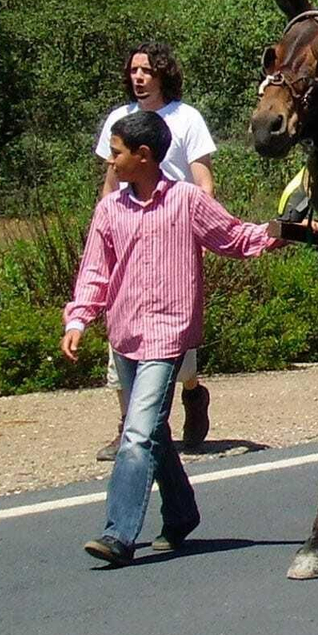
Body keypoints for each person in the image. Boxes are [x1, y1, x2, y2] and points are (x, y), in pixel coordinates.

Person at [62, 111, 281, 566]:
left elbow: (234, 236)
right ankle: (181, 514)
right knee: (154, 432)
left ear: (143, 156)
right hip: (125, 333)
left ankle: (118, 534)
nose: (112, 161)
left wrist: (284, 233)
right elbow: (95, 272)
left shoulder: (185, 201)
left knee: (136, 432)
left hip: (167, 332)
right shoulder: (109, 210)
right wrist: (78, 320)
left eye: (117, 152)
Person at [93, 42, 218, 460]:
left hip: (175, 231)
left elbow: (203, 179)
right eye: (133, 70)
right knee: (124, 332)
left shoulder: (186, 119)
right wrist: (102, 227)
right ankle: (129, 429)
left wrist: (208, 225)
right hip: (130, 230)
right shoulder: (120, 120)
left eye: (146, 69)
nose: (138, 77)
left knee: (175, 350)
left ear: (163, 73)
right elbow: (110, 181)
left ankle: (192, 393)